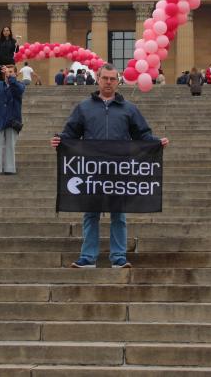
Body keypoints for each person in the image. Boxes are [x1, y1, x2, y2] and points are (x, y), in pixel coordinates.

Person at [50, 64, 169, 269]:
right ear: (98, 79)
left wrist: (156, 143)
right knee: (90, 214)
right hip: (92, 169)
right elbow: (71, 132)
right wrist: (60, 140)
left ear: (118, 82)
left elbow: (142, 135)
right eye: (105, 78)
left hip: (118, 169)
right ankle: (87, 258)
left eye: (112, 79)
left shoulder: (129, 109)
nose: (108, 82)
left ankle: (119, 258)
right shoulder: (84, 107)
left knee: (118, 215)